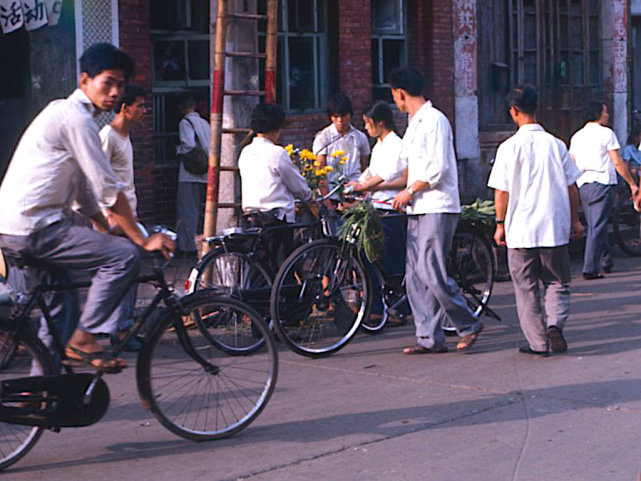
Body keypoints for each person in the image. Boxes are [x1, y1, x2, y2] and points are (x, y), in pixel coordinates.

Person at [0, 43, 175, 372]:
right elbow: (109, 189)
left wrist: (103, 226)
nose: (113, 92)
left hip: (18, 227)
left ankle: (41, 394)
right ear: (84, 81)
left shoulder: (70, 117)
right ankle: (85, 339)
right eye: (106, 82)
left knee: (61, 310)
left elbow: (82, 191)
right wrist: (139, 237)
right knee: (123, 256)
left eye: (120, 86)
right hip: (35, 228)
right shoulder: (76, 119)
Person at [388, 66, 483, 354]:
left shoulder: (435, 120)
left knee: (431, 271)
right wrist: (369, 185)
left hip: (437, 205)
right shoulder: (413, 123)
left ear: (400, 93)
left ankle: (468, 323)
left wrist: (410, 191)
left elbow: (438, 169)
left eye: (394, 95)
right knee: (415, 275)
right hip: (418, 207)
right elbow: (404, 168)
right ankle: (428, 337)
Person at [488, 85, 584, 356]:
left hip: (520, 229)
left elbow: (501, 191)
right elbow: (571, 187)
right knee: (557, 281)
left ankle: (538, 343)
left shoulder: (507, 148)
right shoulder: (556, 144)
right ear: (536, 108)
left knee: (526, 288)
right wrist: (575, 221)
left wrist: (499, 223)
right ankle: (555, 324)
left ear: (513, 111)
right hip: (553, 226)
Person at [346, 101, 407, 321]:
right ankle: (374, 307)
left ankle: (398, 308)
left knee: (390, 262)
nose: (366, 128)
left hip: (391, 207)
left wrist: (366, 186)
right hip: (375, 205)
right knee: (365, 255)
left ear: (380, 122)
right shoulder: (379, 145)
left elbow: (389, 175)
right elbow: (372, 171)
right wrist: (355, 185)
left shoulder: (396, 144)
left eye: (368, 123)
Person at [99, 83, 147, 351]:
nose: (144, 111)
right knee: (125, 268)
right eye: (140, 106)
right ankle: (119, 327)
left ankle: (119, 325)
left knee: (130, 270)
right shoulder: (108, 136)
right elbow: (96, 178)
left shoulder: (125, 137)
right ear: (125, 108)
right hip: (114, 219)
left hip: (128, 215)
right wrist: (107, 216)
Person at [569, 99, 639, 279]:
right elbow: (617, 162)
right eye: (605, 112)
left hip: (583, 184)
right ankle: (590, 268)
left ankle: (606, 260)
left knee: (596, 223)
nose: (607, 115)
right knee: (597, 226)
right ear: (598, 114)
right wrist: (632, 184)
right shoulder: (606, 133)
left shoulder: (577, 136)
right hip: (601, 182)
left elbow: (572, 162)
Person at [238, 103, 312, 265]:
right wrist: (309, 196)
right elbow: (297, 185)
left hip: (252, 217)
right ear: (276, 128)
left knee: (261, 269)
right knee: (282, 270)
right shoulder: (277, 153)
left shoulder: (245, 151)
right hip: (275, 220)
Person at [312, 93, 370, 192]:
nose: (340, 120)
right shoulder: (323, 138)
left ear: (350, 115)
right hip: (332, 191)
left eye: (343, 116)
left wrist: (364, 191)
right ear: (331, 117)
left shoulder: (360, 137)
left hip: (355, 190)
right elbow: (320, 170)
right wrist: (326, 200)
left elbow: (364, 167)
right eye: (336, 116)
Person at [176, 95, 209, 255]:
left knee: (187, 210)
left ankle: (186, 247)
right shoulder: (205, 123)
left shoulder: (185, 123)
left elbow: (188, 145)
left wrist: (178, 151)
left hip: (189, 174)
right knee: (201, 211)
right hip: (204, 172)